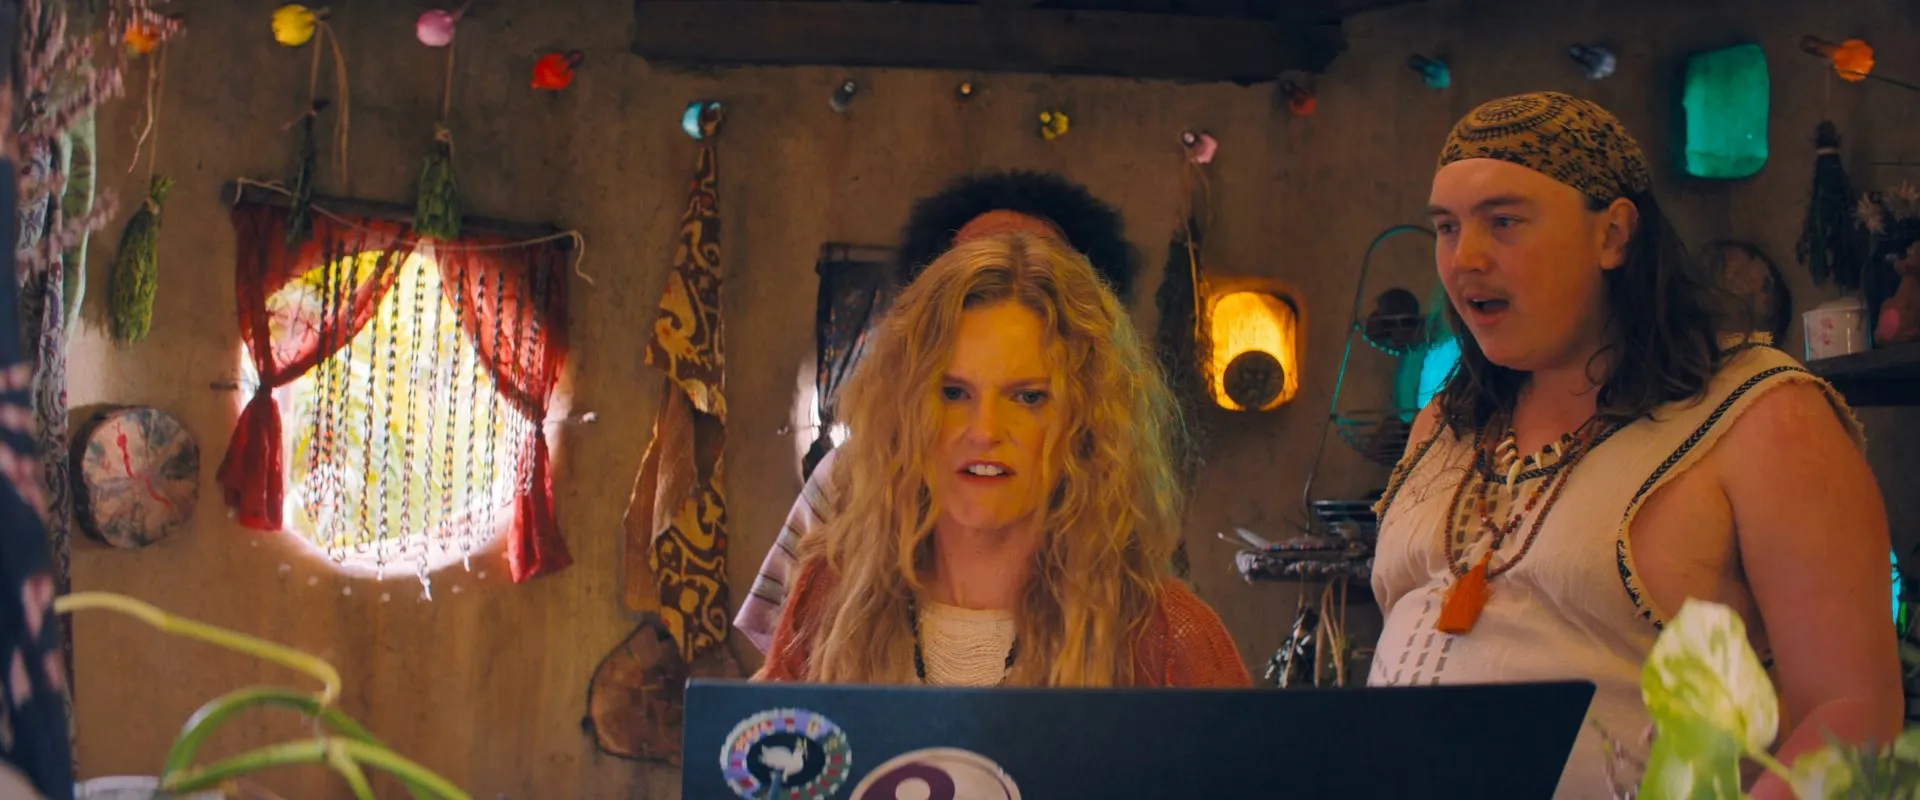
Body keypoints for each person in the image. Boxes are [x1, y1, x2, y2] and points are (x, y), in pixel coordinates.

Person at [1369, 91, 1901, 798]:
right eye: (1446, 227)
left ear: (1614, 235)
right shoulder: (1444, 423)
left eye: (1504, 222)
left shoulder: (1764, 414)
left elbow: (1851, 717)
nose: (1466, 257)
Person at [755, 232, 1247, 687]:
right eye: (953, 393)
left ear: (1086, 425)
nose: (985, 430)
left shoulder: (1166, 634)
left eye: (1028, 397)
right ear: (903, 412)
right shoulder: (831, 602)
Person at [734, 170, 1140, 653]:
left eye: (1029, 396)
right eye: (971, 267)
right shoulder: (851, 475)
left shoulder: (1120, 482)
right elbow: (784, 657)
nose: (1003, 281)